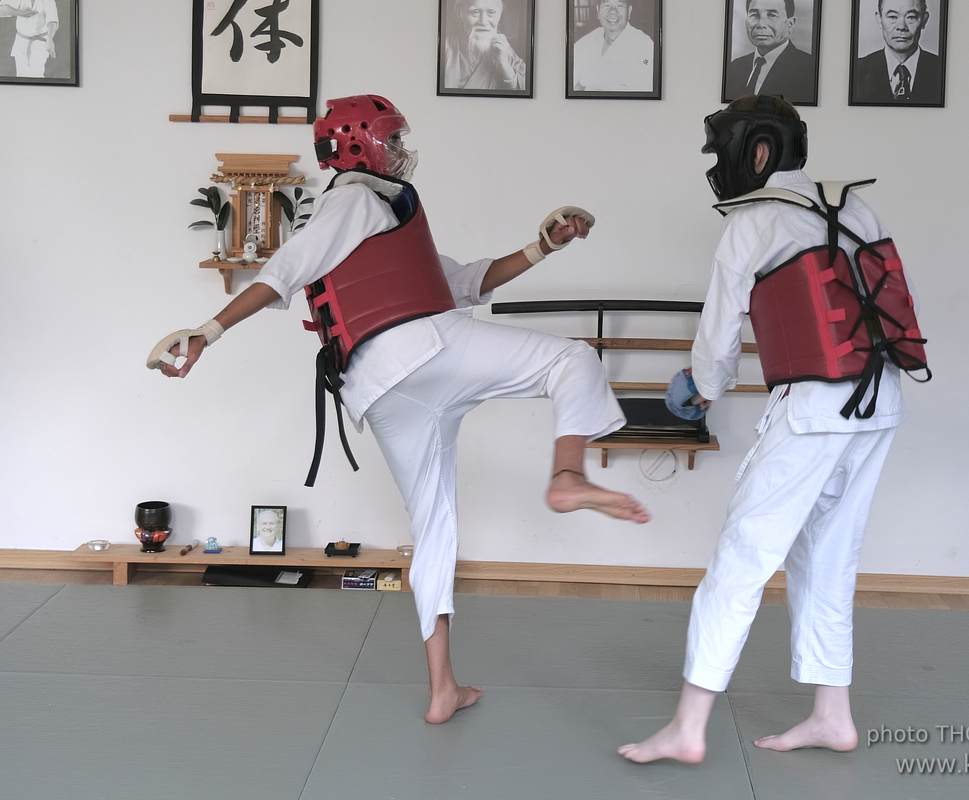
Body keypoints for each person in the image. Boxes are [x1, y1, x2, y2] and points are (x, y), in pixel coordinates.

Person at [148, 94, 650, 725]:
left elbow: (466, 282)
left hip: (382, 388)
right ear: (358, 145)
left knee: (435, 528)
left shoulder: (385, 217)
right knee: (572, 359)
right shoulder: (355, 200)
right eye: (391, 139)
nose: (401, 150)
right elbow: (285, 268)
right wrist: (208, 331)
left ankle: (443, 689)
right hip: (422, 349)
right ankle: (569, 475)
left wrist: (542, 246)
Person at [619, 94, 926, 764]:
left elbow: (718, 334)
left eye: (721, 153)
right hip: (880, 400)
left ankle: (688, 728)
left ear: (756, 151)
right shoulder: (856, 206)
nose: (717, 168)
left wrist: (702, 390)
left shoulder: (754, 220)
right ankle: (832, 716)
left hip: (815, 408)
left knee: (744, 555)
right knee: (828, 554)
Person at [725, 0, 816, 105]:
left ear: (790, 23)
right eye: (754, 15)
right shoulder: (736, 66)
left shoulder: (807, 68)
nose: (760, 24)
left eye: (772, 15)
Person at [852, 0, 943, 104]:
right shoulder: (857, 70)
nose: (901, 27)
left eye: (911, 17)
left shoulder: (941, 68)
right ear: (879, 19)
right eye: (892, 17)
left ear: (924, 20)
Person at [443, 0, 526, 91]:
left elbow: (526, 89)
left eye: (491, 12)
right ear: (460, 12)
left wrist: (504, 64)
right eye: (475, 12)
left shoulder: (504, 50)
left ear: (500, 14)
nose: (483, 22)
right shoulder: (445, 48)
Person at [572, 0, 654, 92]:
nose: (613, 11)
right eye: (607, 5)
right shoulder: (588, 40)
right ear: (598, 11)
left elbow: (643, 93)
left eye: (620, 5)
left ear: (629, 11)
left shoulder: (643, 44)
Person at [0, 0, 57, 79]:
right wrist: (20, 13)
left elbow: (52, 20)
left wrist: (49, 39)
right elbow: (2, 10)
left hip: (40, 41)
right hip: (21, 40)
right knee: (21, 74)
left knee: (36, 74)